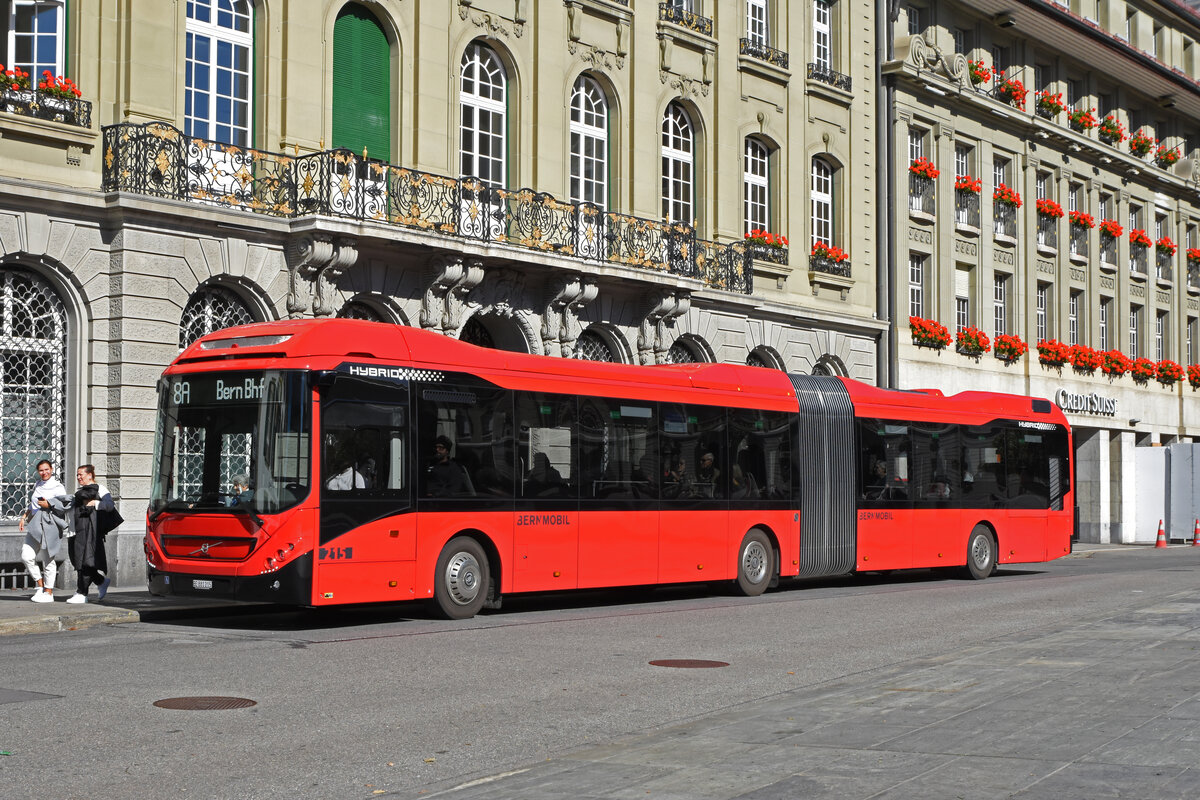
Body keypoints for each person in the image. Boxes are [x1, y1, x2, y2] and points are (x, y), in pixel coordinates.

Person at [65, 465, 123, 604]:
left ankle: (82, 593)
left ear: (90, 475)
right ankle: (101, 581)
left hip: (88, 532)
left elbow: (109, 505)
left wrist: (96, 503)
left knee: (86, 561)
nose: (79, 477)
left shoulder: (100, 489)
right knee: (77, 561)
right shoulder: (80, 491)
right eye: (77, 475)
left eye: (81, 474)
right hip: (75, 531)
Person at [17, 460, 71, 603]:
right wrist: (24, 517)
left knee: (48, 560)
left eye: (46, 469)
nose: (44, 472)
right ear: (38, 471)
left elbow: (64, 505)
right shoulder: (38, 484)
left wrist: (49, 504)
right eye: (41, 470)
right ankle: (40, 585)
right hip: (35, 525)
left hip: (49, 526)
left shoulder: (58, 486)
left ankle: (49, 592)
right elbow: (33, 504)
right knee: (26, 555)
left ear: (52, 469)